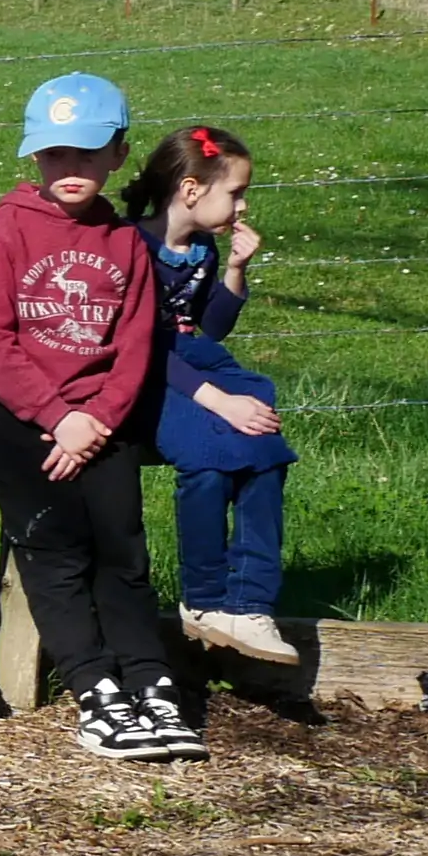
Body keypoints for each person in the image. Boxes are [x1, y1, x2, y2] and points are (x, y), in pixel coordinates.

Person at [0, 73, 196, 761]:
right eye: (56, 154)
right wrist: (56, 415)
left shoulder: (125, 243)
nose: (71, 168)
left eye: (88, 154)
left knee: (122, 548)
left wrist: (96, 420)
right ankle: (95, 689)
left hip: (102, 421)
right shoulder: (5, 231)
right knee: (55, 550)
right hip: (19, 416)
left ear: (118, 155)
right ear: (35, 156)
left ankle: (151, 681)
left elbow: (135, 344)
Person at [129, 121, 294, 668]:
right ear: (191, 189)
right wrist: (219, 402)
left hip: (194, 362)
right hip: (146, 373)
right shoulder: (130, 248)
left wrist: (237, 269)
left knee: (264, 446)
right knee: (208, 458)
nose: (242, 206)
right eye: (236, 192)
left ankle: (249, 603)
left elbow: (213, 327)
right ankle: (204, 600)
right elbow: (143, 347)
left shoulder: (200, 247)